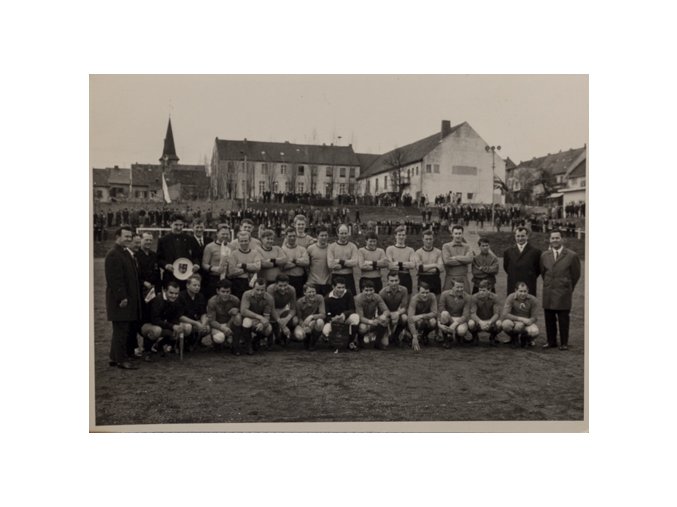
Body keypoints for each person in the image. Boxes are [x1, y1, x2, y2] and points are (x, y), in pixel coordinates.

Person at [105, 226, 143, 369]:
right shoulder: (114, 254)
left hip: (127, 299)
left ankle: (114, 357)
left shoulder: (125, 253)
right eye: (126, 236)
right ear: (117, 237)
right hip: (120, 300)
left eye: (130, 237)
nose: (128, 239)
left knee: (122, 329)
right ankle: (121, 360)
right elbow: (115, 280)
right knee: (121, 329)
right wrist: (122, 297)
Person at [540, 229, 581, 350]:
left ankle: (564, 343)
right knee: (549, 318)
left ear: (562, 239)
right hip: (548, 292)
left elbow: (575, 275)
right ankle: (551, 341)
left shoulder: (571, 255)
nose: (555, 240)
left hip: (563, 292)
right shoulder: (544, 255)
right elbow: (543, 273)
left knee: (563, 318)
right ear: (550, 240)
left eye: (557, 238)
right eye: (552, 238)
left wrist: (567, 286)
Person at [141, 281, 192, 356]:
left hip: (164, 325)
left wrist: (176, 325)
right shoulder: (157, 300)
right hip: (148, 325)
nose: (174, 296)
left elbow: (176, 316)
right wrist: (172, 326)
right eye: (171, 293)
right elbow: (155, 320)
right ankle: (147, 348)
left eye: (176, 293)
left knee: (186, 327)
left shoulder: (177, 301)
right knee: (157, 330)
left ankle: (162, 345)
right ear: (165, 291)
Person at [156, 214, 201, 289]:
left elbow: (196, 256)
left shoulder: (190, 239)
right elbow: (158, 259)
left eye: (181, 225)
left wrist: (196, 264)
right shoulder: (163, 240)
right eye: (176, 225)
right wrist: (166, 265)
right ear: (170, 224)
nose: (179, 228)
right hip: (170, 277)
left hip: (187, 277)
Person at [322, 277, 360, 351]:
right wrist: (333, 319)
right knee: (325, 331)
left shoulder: (348, 293)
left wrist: (344, 314)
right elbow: (327, 315)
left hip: (345, 319)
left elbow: (352, 309)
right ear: (333, 287)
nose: (341, 290)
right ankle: (332, 342)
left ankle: (350, 342)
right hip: (333, 321)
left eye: (343, 287)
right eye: (339, 287)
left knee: (355, 317)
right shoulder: (327, 298)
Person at [205, 279, 243, 354]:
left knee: (238, 316)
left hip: (230, 324)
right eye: (223, 292)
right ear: (217, 291)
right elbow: (211, 320)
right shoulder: (212, 301)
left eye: (227, 292)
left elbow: (241, 314)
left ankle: (235, 346)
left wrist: (237, 311)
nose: (225, 294)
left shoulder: (235, 300)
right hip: (218, 325)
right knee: (219, 338)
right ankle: (217, 343)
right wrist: (222, 328)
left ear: (230, 291)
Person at [503, 226, 542, 297]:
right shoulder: (508, 252)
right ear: (515, 236)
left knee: (528, 305)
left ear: (527, 236)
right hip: (513, 283)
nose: (520, 238)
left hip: (529, 284)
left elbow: (538, 269)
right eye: (518, 236)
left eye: (522, 236)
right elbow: (506, 267)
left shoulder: (536, 252)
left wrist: (529, 275)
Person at [240, 278, 274, 355]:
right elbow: (243, 311)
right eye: (257, 289)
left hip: (261, 319)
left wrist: (263, 323)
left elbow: (267, 315)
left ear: (265, 289)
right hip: (249, 317)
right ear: (253, 288)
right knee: (246, 322)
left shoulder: (269, 298)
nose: (259, 292)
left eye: (262, 290)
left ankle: (256, 340)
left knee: (268, 329)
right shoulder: (247, 294)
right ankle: (248, 346)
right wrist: (259, 317)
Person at [501, 282, 541, 348]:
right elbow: (505, 314)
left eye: (525, 291)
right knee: (506, 324)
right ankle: (514, 338)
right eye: (520, 291)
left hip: (527, 322)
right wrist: (520, 319)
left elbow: (534, 317)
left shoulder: (533, 299)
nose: (523, 293)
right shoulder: (511, 297)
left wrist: (527, 322)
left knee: (535, 332)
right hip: (514, 321)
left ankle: (527, 339)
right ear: (516, 290)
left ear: (528, 291)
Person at [177, 274, 210, 352]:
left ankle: (196, 342)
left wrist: (203, 323)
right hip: (182, 321)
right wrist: (196, 323)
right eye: (194, 285)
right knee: (188, 327)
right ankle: (180, 344)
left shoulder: (200, 296)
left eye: (198, 285)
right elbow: (180, 316)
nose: (197, 287)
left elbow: (203, 313)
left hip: (195, 320)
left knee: (207, 328)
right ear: (187, 285)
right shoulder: (181, 296)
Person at [354, 280, 390, 349]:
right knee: (362, 328)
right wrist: (370, 322)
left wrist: (383, 315)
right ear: (362, 290)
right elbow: (360, 317)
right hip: (363, 322)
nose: (369, 293)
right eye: (366, 290)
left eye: (371, 290)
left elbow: (386, 310)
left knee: (385, 320)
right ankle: (360, 339)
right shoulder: (358, 299)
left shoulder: (377, 297)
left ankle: (377, 341)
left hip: (373, 320)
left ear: (374, 290)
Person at [226, 231, 262, 300]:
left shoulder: (255, 253)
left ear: (249, 241)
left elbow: (258, 267)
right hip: (237, 282)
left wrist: (243, 265)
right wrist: (248, 269)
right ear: (238, 241)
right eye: (241, 241)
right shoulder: (234, 254)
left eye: (245, 241)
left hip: (251, 281)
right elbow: (231, 271)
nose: (244, 243)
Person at [327, 224, 359, 296]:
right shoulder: (332, 247)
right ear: (337, 233)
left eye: (345, 233)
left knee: (350, 300)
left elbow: (355, 262)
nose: (344, 235)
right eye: (341, 233)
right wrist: (348, 264)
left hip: (349, 277)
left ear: (348, 233)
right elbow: (330, 264)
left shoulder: (353, 246)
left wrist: (339, 261)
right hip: (336, 277)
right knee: (335, 299)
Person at [379, 271, 410, 346]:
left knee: (405, 318)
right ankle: (386, 333)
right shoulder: (382, 292)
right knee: (385, 343)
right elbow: (382, 309)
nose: (394, 283)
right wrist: (390, 315)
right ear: (388, 281)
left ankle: (396, 335)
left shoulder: (404, 290)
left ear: (399, 280)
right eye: (392, 281)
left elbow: (404, 307)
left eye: (396, 280)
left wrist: (397, 313)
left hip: (398, 313)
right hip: (387, 314)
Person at [468, 280, 502, 346]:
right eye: (480, 290)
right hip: (478, 321)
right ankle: (475, 337)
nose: (481, 292)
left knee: (499, 324)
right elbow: (473, 314)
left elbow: (496, 314)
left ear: (489, 290)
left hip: (490, 321)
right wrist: (480, 322)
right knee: (470, 323)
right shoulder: (474, 297)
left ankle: (493, 337)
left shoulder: (495, 297)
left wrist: (489, 322)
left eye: (483, 290)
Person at [438, 280, 472, 347]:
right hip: (448, 317)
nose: (460, 289)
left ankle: (459, 336)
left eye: (462, 287)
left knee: (461, 331)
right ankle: (446, 339)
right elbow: (441, 308)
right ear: (452, 287)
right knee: (444, 313)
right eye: (457, 287)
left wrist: (454, 324)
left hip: (460, 318)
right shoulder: (444, 294)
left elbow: (466, 315)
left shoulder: (467, 297)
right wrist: (439, 323)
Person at [201, 224, 232, 298]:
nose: (225, 236)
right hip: (214, 278)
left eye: (227, 234)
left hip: (228, 279)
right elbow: (204, 264)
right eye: (223, 234)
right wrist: (215, 268)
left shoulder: (232, 246)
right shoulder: (210, 247)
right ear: (217, 234)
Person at [267, 274, 298, 346]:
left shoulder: (292, 290)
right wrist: (283, 326)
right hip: (271, 309)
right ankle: (274, 335)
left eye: (285, 285)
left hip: (283, 308)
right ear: (276, 284)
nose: (283, 288)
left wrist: (286, 319)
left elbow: (293, 308)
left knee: (294, 320)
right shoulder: (270, 289)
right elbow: (271, 308)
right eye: (280, 286)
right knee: (271, 342)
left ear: (288, 284)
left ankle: (285, 336)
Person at [385, 225, 418, 294]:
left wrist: (397, 263)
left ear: (405, 236)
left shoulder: (410, 250)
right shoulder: (390, 249)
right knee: (393, 300)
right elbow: (390, 265)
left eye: (403, 235)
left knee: (406, 300)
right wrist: (406, 264)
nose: (401, 237)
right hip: (393, 277)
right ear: (395, 236)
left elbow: (412, 265)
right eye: (399, 235)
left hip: (406, 277)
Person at [407, 282, 438, 352]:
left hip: (425, 319)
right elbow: (410, 318)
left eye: (427, 293)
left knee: (433, 322)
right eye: (423, 293)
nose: (425, 295)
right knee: (418, 322)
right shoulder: (414, 299)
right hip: (416, 322)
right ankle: (413, 336)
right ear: (418, 292)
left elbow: (435, 313)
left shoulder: (432, 296)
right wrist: (414, 336)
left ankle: (424, 335)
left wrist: (421, 316)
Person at [441, 224, 473, 292]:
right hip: (450, 278)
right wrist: (463, 260)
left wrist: (455, 257)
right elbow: (447, 261)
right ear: (452, 234)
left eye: (459, 233)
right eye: (456, 233)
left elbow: (470, 259)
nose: (458, 236)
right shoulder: (446, 246)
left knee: (465, 299)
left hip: (463, 278)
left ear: (462, 234)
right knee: (448, 299)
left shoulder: (467, 246)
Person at [294, 284, 326, 351]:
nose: (312, 294)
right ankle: (306, 340)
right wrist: (304, 326)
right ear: (304, 293)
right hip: (303, 323)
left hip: (314, 321)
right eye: (309, 292)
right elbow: (299, 318)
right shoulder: (299, 302)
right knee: (299, 335)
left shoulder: (320, 298)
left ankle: (313, 342)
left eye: (313, 291)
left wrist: (311, 316)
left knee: (320, 322)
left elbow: (323, 314)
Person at [280, 228, 310, 299]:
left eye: (294, 236)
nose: (292, 238)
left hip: (300, 279)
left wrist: (294, 261)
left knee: (299, 298)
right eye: (290, 236)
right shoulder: (282, 250)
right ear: (286, 237)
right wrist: (299, 262)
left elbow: (306, 262)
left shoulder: (302, 249)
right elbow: (282, 266)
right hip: (287, 278)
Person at [415, 229, 443, 296]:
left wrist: (425, 268)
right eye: (426, 239)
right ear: (423, 239)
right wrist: (435, 265)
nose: (428, 241)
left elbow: (441, 268)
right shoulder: (418, 252)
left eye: (430, 239)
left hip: (435, 280)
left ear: (433, 239)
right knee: (423, 303)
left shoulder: (438, 252)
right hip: (423, 280)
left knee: (436, 303)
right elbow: (419, 268)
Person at [307, 226, 332, 296]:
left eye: (326, 235)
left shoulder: (331, 248)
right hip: (313, 283)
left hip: (327, 283)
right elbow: (306, 266)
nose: (324, 237)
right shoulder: (310, 249)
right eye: (322, 235)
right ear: (317, 236)